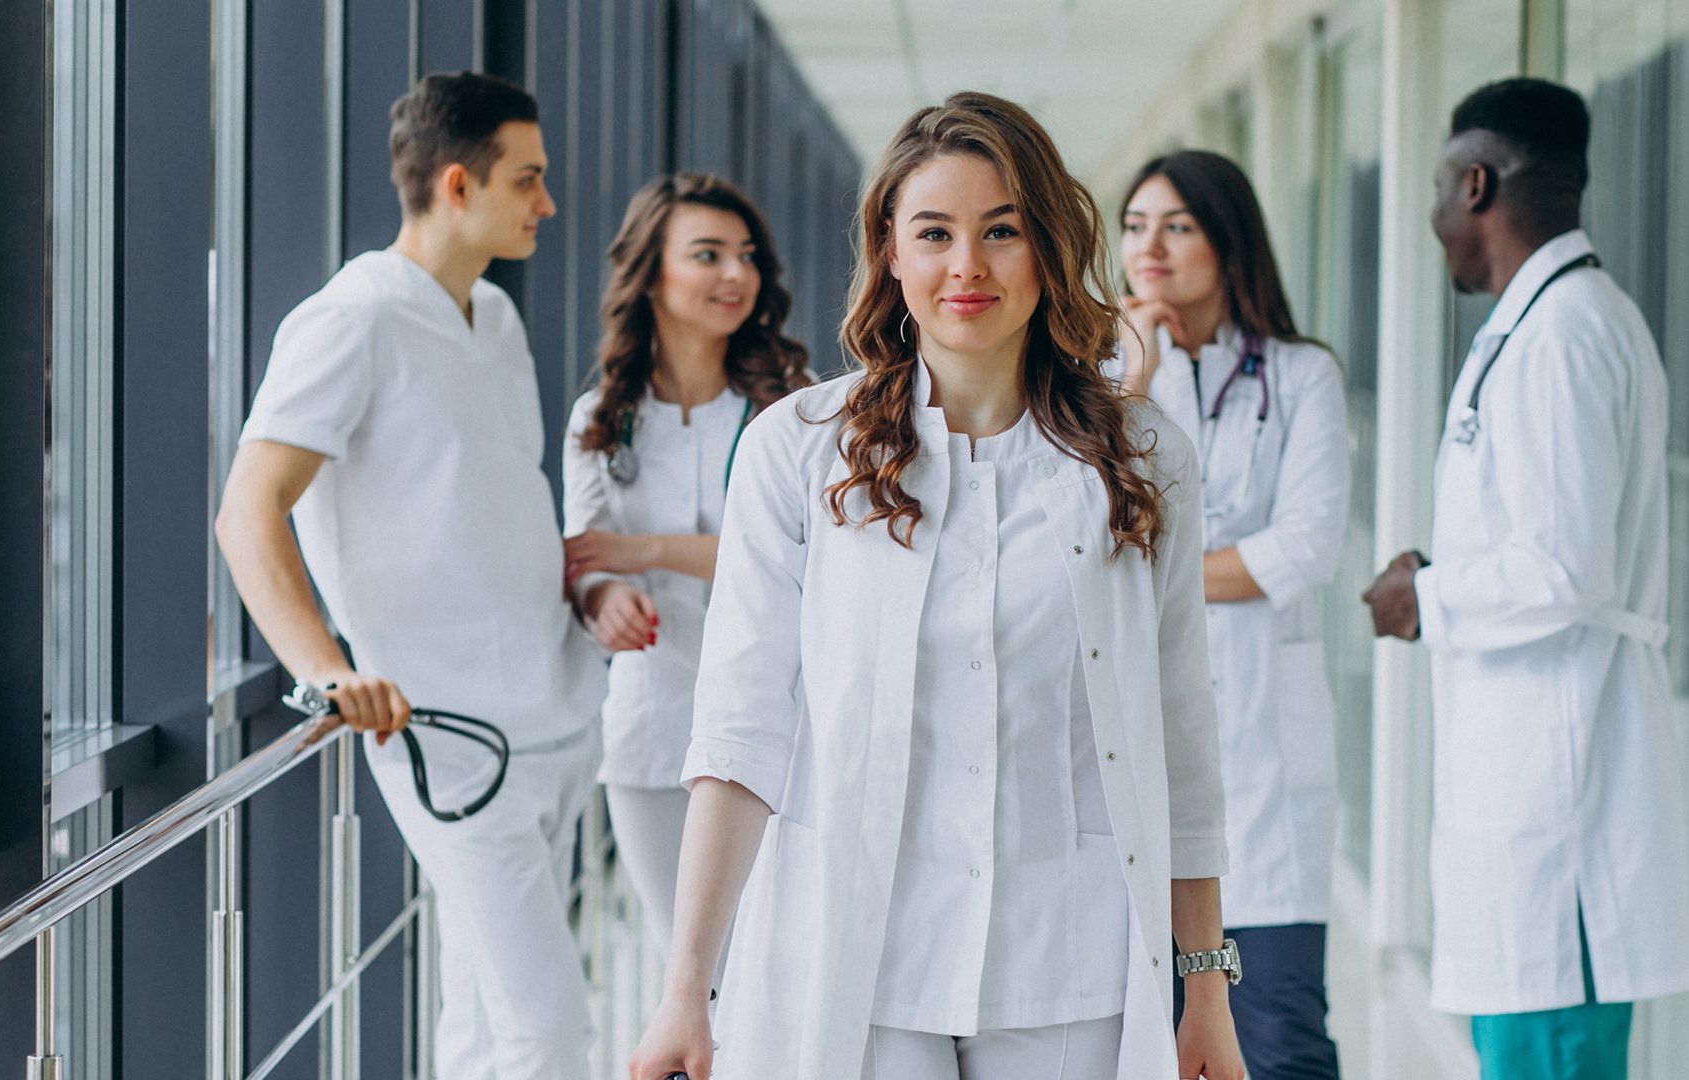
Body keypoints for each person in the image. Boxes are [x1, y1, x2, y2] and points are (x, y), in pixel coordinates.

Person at [629, 91, 1245, 1080]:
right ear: (890, 252)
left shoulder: (1139, 459)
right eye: (934, 233)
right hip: (859, 959)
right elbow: (740, 728)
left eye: (1001, 231)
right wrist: (684, 988)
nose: (967, 265)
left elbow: (1178, 726)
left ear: (1047, 246)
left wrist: (1204, 987)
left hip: (1066, 964)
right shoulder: (797, 451)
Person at [215, 72, 606, 1080]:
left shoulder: (498, 321)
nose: (547, 204)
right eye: (528, 180)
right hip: (447, 734)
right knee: (548, 1028)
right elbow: (247, 509)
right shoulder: (351, 321)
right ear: (457, 186)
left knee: (483, 1019)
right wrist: (327, 671)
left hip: (552, 711)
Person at [1362, 77, 1689, 1080]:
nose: (1429, 220)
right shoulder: (1540, 321)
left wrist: (1429, 595)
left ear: (1475, 184)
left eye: (1433, 192)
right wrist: (1437, 569)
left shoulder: (1564, 333)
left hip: (1562, 801)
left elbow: (1563, 566)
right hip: (1532, 783)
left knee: (1548, 1049)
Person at [1115, 150, 1349, 1080]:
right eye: (1135, 226)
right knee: (1148, 1042)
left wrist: (1155, 569)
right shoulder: (1097, 378)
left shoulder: (1301, 376)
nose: (1151, 249)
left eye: (1177, 226)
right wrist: (1132, 378)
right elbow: (1080, 536)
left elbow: (1307, 547)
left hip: (1268, 760)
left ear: (1228, 239)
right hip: (1141, 746)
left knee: (1284, 1038)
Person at [560, 172, 810, 958]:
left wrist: (645, 552)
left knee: (775, 963)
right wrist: (605, 598)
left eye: (746, 257)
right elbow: (585, 555)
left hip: (785, 729)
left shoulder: (793, 409)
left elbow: (798, 560)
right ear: (651, 274)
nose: (736, 276)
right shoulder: (602, 419)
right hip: (653, 727)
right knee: (692, 969)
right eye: (708, 255)